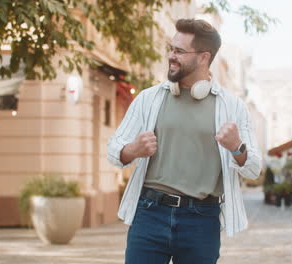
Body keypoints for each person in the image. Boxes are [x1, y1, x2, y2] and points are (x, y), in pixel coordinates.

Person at [107, 18, 262, 264]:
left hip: (201, 220)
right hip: (149, 214)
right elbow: (113, 150)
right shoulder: (149, 99)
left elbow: (254, 168)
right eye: (170, 49)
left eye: (179, 51)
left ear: (203, 57)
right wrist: (133, 149)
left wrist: (237, 147)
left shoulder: (232, 107)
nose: (171, 56)